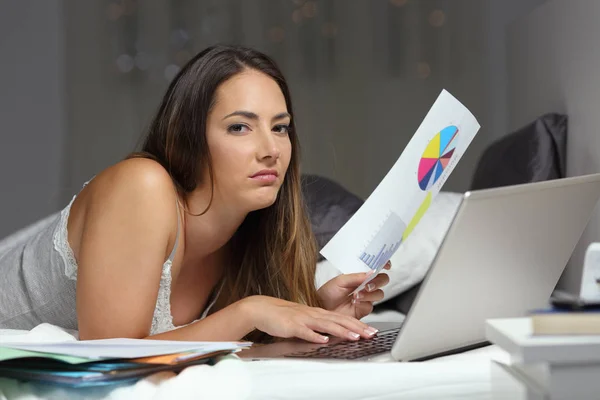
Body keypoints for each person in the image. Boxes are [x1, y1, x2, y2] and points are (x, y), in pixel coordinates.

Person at [0, 44, 391, 344]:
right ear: (187, 139)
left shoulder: (251, 231)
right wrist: (248, 312)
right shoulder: (142, 186)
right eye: (240, 127)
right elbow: (108, 356)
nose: (270, 149)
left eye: (280, 128)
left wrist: (315, 314)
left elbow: (224, 347)